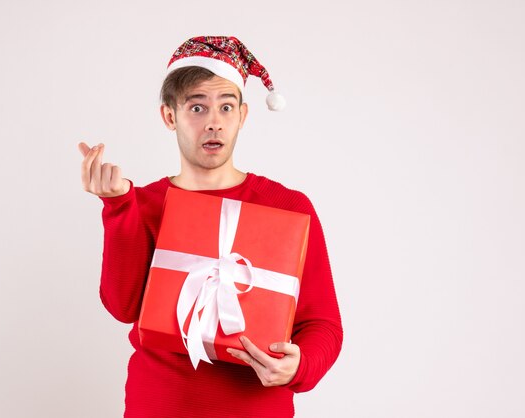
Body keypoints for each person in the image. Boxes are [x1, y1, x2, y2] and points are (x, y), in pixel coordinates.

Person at [78, 36, 343, 418]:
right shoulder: (144, 204)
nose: (214, 123)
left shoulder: (288, 208)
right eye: (197, 107)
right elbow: (122, 306)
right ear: (170, 116)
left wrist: (299, 366)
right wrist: (119, 206)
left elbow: (323, 323)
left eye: (226, 107)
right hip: (158, 406)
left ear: (243, 115)